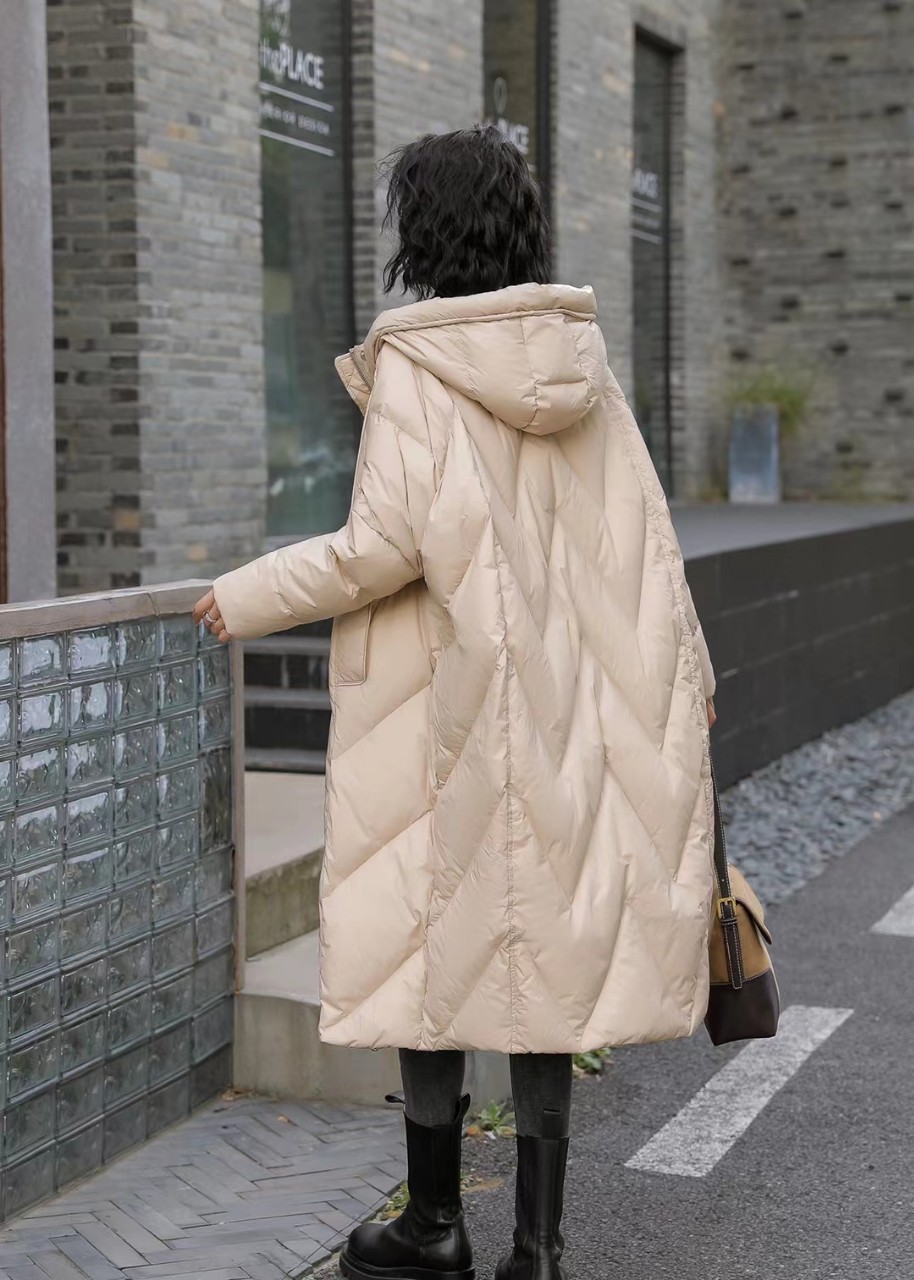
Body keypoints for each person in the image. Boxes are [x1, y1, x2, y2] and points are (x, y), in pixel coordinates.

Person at [194, 124, 717, 1280]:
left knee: (428, 950)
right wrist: (693, 681)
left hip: (448, 705)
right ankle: (539, 1247)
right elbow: (648, 548)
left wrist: (246, 593)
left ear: (422, 232)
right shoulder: (579, 363)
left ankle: (434, 1226)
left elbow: (381, 547)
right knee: (545, 962)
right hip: (567, 705)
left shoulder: (419, 369)